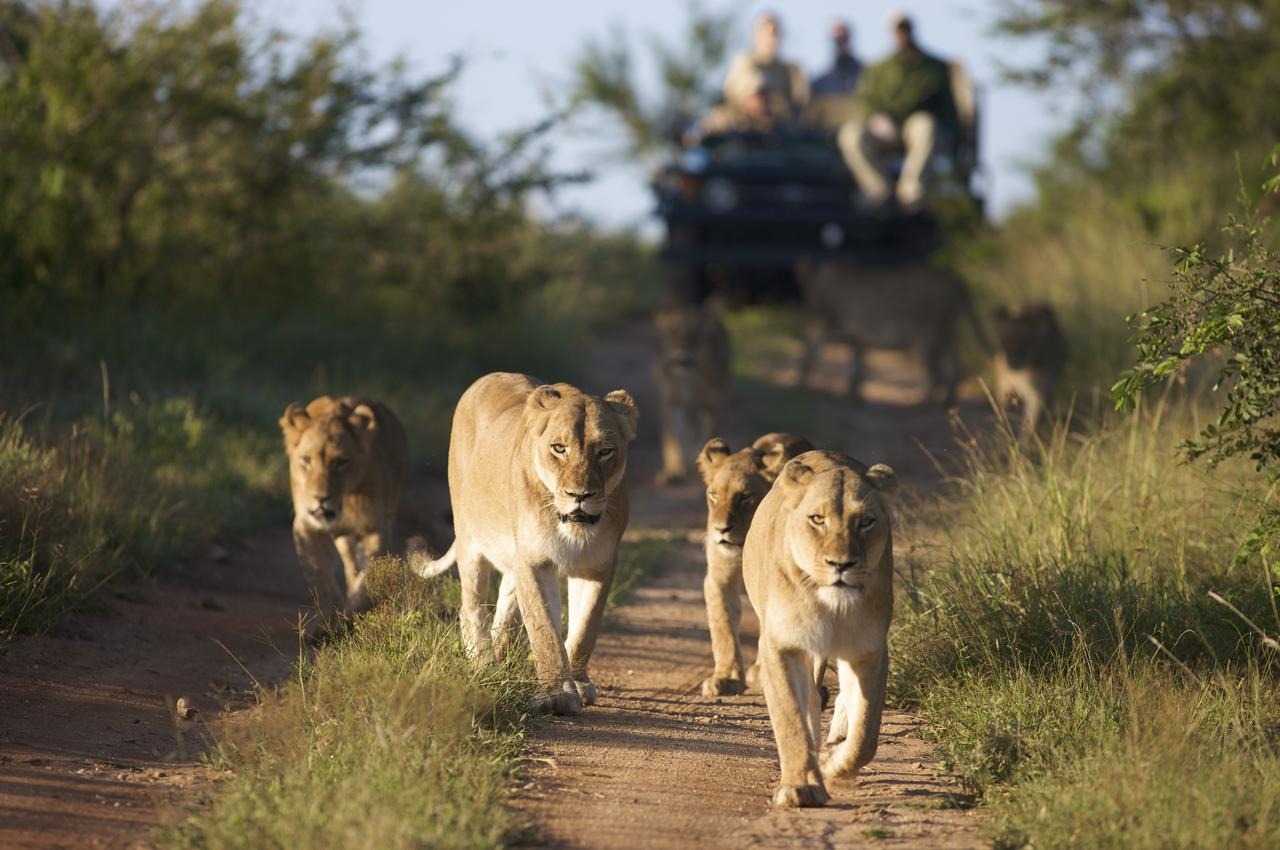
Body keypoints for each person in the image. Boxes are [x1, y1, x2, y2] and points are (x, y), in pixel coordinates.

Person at [837, 12, 959, 210]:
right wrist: (875, 119)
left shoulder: (935, 68)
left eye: (906, 29)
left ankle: (911, 193)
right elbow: (866, 103)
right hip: (885, 131)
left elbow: (948, 110)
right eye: (898, 30)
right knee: (850, 134)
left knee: (924, 124)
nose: (903, 34)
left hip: (916, 130)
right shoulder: (878, 69)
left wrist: (955, 138)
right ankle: (877, 191)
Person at [723, 12, 808, 123]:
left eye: (774, 33)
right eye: (765, 33)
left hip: (781, 127)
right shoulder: (744, 62)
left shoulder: (791, 70)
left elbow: (801, 100)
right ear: (756, 35)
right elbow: (733, 93)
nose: (770, 39)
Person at [810, 19, 862, 96]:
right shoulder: (821, 83)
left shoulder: (865, 76)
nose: (841, 43)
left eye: (844, 39)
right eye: (838, 40)